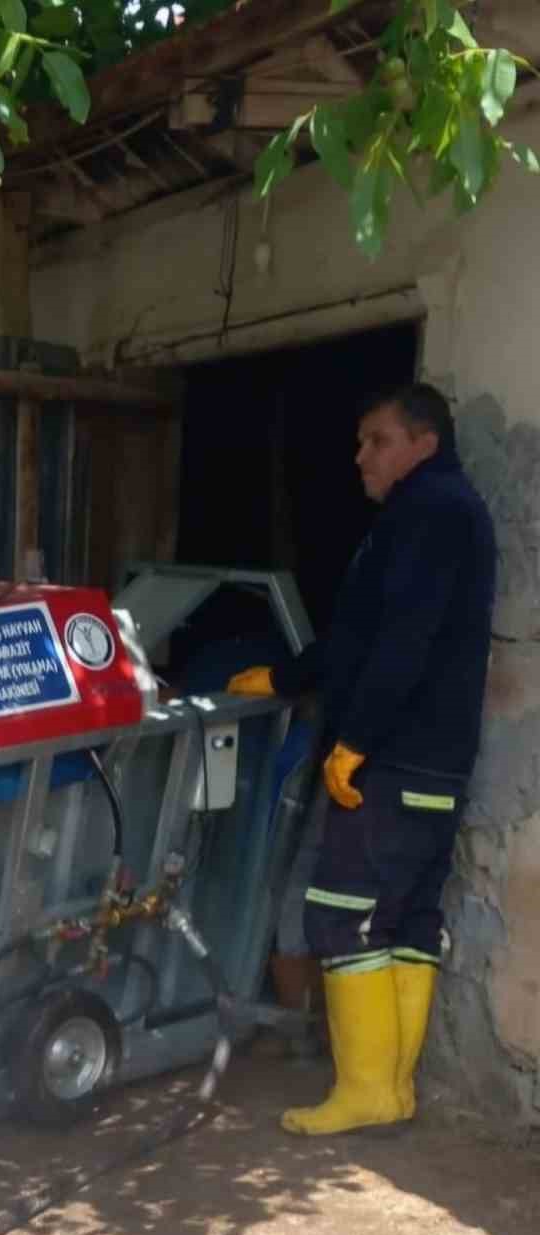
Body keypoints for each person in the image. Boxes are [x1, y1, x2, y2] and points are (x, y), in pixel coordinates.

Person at [225, 382, 496, 1135]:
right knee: (407, 919)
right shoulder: (437, 514)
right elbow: (360, 637)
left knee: (342, 915)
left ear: (424, 443)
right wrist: (285, 677)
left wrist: (357, 742)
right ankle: (394, 1092)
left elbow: (402, 639)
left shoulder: (429, 513)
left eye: (377, 440)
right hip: (433, 763)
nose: (359, 457)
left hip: (396, 759)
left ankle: (365, 1090)